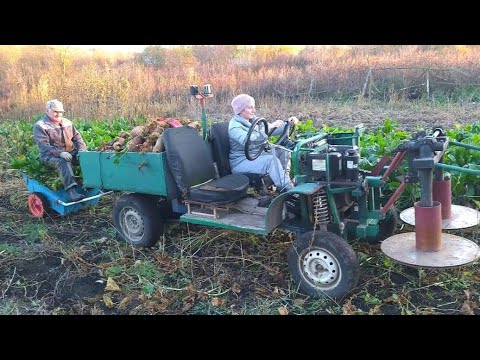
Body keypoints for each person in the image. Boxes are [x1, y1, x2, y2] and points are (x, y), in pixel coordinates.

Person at [228, 93, 298, 193]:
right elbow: (250, 142)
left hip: (255, 155)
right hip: (241, 161)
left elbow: (272, 129)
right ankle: (288, 191)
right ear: (241, 110)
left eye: (254, 107)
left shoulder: (253, 120)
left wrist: (288, 123)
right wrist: (269, 128)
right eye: (250, 108)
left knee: (283, 151)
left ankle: (284, 182)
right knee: (271, 161)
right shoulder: (234, 127)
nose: (254, 110)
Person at [33, 99, 87, 202]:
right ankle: (71, 192)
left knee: (87, 156)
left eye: (60, 112)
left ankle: (91, 183)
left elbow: (77, 138)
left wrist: (82, 150)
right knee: (63, 162)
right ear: (47, 111)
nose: (58, 114)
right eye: (55, 111)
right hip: (49, 155)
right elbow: (44, 145)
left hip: (70, 151)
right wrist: (60, 153)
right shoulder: (40, 126)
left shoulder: (67, 122)